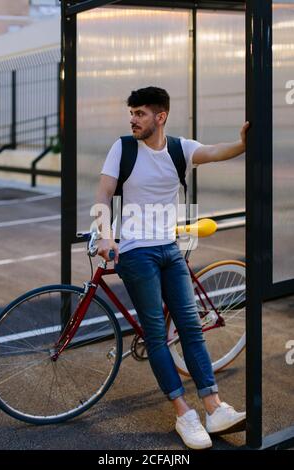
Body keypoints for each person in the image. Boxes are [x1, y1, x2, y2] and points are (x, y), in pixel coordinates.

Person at [95, 86, 250, 450]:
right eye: (131, 113)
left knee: (191, 329)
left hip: (169, 249)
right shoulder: (123, 148)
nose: (133, 119)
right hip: (136, 251)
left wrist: (242, 144)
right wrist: (106, 235)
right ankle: (184, 413)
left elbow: (213, 152)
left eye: (140, 113)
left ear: (160, 116)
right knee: (156, 334)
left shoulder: (180, 148)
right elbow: (103, 194)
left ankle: (213, 408)